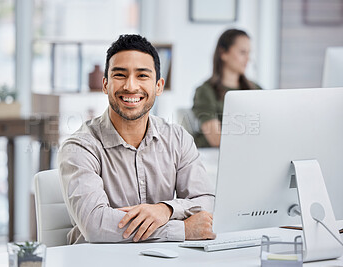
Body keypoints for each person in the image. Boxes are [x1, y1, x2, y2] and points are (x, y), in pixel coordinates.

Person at [58, 34, 216, 244]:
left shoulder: (178, 139)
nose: (131, 86)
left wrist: (165, 209)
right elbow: (96, 225)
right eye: (120, 75)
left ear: (158, 86)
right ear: (105, 84)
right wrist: (183, 229)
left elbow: (206, 202)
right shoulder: (79, 147)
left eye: (142, 76)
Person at [192, 29, 261, 148]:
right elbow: (216, 139)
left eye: (249, 53)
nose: (248, 59)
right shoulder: (205, 91)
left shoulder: (255, 89)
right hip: (214, 158)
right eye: (242, 52)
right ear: (223, 53)